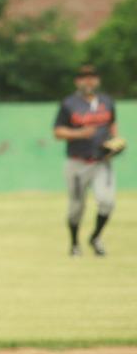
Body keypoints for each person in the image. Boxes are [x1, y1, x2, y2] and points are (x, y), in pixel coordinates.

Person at [53, 63, 120, 257]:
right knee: (76, 207)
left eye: (92, 76)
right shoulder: (69, 104)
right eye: (84, 77)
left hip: (102, 162)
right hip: (77, 162)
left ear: (97, 80)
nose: (89, 80)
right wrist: (80, 133)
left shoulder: (107, 101)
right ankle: (74, 243)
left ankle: (95, 238)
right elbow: (58, 132)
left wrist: (115, 143)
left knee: (107, 201)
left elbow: (112, 125)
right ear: (78, 81)